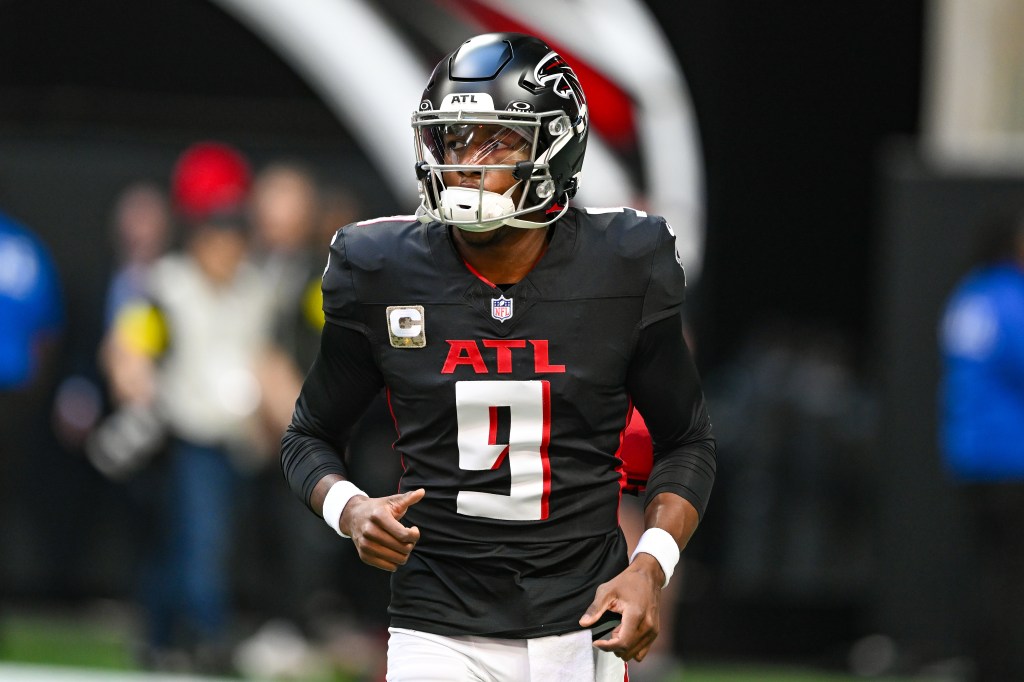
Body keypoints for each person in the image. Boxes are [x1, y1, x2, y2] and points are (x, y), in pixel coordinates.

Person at [281, 33, 716, 681]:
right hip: (438, 622)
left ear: (554, 146)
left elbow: (687, 442)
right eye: (455, 140)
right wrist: (350, 508)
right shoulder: (379, 268)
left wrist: (648, 565)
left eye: (497, 140)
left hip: (581, 618)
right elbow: (308, 434)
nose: (466, 164)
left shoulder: (624, 264)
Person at [97, 141, 277, 672]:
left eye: (235, 239)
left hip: (237, 436)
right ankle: (204, 634)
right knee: (194, 541)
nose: (227, 250)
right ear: (198, 239)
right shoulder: (168, 285)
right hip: (184, 433)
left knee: (202, 542)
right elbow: (130, 342)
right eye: (217, 238)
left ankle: (163, 637)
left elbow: (264, 357)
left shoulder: (254, 290)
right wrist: (129, 372)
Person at [939, 207, 1024, 681]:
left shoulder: (970, 295)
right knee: (1008, 576)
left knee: (991, 569)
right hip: (1012, 457)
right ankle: (1000, 668)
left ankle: (986, 663)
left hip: (971, 455)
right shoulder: (1013, 298)